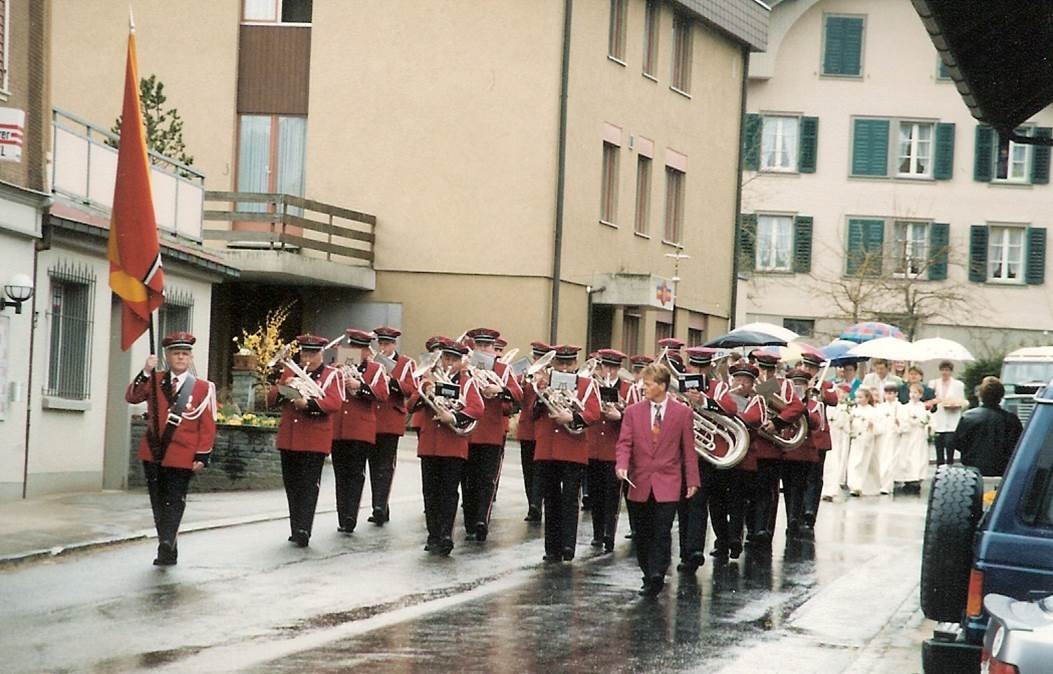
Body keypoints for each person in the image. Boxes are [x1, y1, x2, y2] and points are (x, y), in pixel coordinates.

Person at [125, 332, 217, 566]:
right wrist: (146, 371)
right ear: (167, 356)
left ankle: (166, 543)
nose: (180, 358)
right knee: (158, 500)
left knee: (174, 500)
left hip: (182, 454)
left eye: (185, 354)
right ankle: (168, 545)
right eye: (176, 353)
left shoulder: (202, 388)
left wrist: (202, 455)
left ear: (191, 357)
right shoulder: (155, 381)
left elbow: (207, 425)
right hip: (154, 451)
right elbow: (132, 397)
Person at [615, 363, 699, 597]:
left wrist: (692, 481)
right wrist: (621, 465)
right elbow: (624, 443)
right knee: (642, 532)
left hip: (668, 481)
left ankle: (657, 574)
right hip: (639, 480)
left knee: (662, 531)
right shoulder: (633, 412)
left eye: (649, 384)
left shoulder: (683, 413)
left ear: (662, 386)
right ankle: (647, 570)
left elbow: (688, 451)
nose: (644, 387)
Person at [268, 334, 344, 547]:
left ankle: (304, 529)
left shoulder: (332, 375)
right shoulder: (291, 371)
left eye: (312, 353)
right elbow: (271, 398)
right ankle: (296, 527)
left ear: (321, 354)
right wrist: (286, 387)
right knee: (292, 485)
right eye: (304, 353)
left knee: (308, 485)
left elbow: (334, 402)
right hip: (290, 438)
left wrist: (308, 404)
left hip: (314, 439)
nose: (307, 358)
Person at [410, 338, 484, 555]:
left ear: (461, 362)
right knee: (430, 492)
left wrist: (452, 416)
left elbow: (477, 408)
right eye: (446, 358)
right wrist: (426, 389)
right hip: (429, 444)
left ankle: (445, 535)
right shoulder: (426, 379)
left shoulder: (466, 382)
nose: (449, 363)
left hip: (453, 443)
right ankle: (432, 535)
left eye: (454, 359)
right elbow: (411, 405)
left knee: (448, 492)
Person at [533, 344, 601, 563]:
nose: (564, 367)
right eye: (560, 363)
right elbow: (532, 412)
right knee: (550, 498)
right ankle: (551, 548)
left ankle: (568, 546)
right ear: (553, 364)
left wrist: (571, 417)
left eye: (568, 363)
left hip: (573, 448)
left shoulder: (587, 384)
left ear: (575, 364)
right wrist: (540, 392)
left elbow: (593, 412)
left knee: (570, 499)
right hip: (548, 448)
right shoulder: (543, 382)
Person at [677, 346, 736, 571]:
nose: (698, 371)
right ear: (689, 366)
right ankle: (686, 552)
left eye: (703, 367)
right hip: (684, 452)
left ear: (709, 367)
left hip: (709, 454)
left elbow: (731, 408)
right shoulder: (680, 387)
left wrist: (703, 401)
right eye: (695, 366)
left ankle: (694, 551)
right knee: (684, 503)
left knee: (699, 501)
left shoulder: (719, 387)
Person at [463, 328, 523, 542]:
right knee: (468, 479)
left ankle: (481, 520)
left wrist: (500, 390)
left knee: (487, 479)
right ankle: (470, 521)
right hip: (468, 430)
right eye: (479, 345)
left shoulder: (504, 369)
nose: (483, 349)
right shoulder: (465, 366)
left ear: (494, 349)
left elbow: (518, 394)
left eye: (487, 346)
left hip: (491, 430)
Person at [331, 329, 390, 534]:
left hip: (360, 428)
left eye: (359, 349)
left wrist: (360, 385)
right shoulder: (336, 367)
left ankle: (350, 516)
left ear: (366, 351)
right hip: (338, 428)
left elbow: (383, 394)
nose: (355, 351)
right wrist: (337, 373)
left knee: (355, 473)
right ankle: (342, 515)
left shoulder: (376, 369)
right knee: (341, 473)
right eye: (352, 347)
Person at [748, 352, 805, 550]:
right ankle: (750, 531)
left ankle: (764, 530)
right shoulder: (745, 382)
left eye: (768, 370)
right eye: (762, 369)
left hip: (770, 447)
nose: (765, 373)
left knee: (767, 491)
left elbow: (797, 407)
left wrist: (776, 422)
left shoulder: (784, 385)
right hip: (748, 447)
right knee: (748, 493)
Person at [586, 348, 631, 553]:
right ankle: (597, 533)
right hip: (594, 446)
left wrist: (620, 416)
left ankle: (609, 534)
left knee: (612, 495)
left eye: (614, 367)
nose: (610, 371)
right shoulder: (592, 385)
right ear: (601, 367)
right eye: (607, 367)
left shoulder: (628, 389)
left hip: (614, 449)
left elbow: (635, 417)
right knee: (595, 493)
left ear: (619, 369)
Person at [372, 326, 416, 526]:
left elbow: (412, 389)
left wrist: (392, 381)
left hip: (391, 418)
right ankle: (378, 506)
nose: (383, 347)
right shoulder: (372, 361)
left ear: (394, 344)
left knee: (385, 465)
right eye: (381, 343)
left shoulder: (406, 363)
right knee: (373, 465)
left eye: (387, 344)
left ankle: (381, 505)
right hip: (372, 417)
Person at [951, 377, 1023, 477]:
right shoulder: (1012, 420)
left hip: (973, 471)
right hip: (1003, 471)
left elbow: (957, 443)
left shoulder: (968, 417)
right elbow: (1018, 446)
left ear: (980, 395)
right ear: (1001, 395)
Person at [798, 353, 838, 528]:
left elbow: (833, 399)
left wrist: (819, 390)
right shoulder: (796, 382)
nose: (807, 370)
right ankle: (798, 511)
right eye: (805, 367)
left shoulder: (826, 384)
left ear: (817, 370)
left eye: (811, 368)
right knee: (800, 476)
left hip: (819, 436)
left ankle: (810, 511)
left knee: (815, 476)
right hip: (801, 434)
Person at [516, 341, 552, 523]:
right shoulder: (526, 376)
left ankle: (537, 504)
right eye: (536, 357)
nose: (537, 361)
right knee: (528, 469)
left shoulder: (551, 377)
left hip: (544, 429)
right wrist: (524, 381)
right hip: (527, 428)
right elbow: (518, 397)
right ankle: (532, 503)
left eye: (541, 358)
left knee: (540, 470)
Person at [930, 361, 968, 465]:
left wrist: (955, 405)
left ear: (951, 371)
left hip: (952, 419)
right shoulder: (934, 384)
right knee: (939, 447)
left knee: (950, 444)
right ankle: (939, 469)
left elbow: (963, 401)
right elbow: (930, 400)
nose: (944, 372)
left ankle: (950, 467)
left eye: (947, 370)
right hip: (938, 419)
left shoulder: (958, 385)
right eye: (942, 370)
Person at [895, 383, 931, 493]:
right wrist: (907, 423)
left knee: (918, 456)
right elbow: (901, 420)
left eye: (916, 393)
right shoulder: (905, 407)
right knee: (907, 455)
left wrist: (924, 424)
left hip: (918, 435)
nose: (913, 395)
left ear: (920, 395)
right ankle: (907, 479)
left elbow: (927, 420)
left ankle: (916, 479)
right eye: (911, 392)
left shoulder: (923, 407)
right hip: (908, 435)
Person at [845, 387, 881, 497]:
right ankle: (853, 485)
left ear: (867, 398)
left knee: (864, 463)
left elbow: (878, 426)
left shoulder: (873, 411)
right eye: (857, 397)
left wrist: (872, 427)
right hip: (856, 439)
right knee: (854, 462)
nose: (858, 399)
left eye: (861, 397)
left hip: (867, 439)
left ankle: (861, 485)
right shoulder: (854, 410)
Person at [876, 383, 902, 495]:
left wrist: (899, 424)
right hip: (882, 437)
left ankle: (887, 485)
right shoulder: (880, 407)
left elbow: (904, 424)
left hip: (894, 437)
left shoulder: (900, 407)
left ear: (896, 394)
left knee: (891, 461)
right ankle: (879, 483)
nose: (888, 396)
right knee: (881, 460)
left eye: (891, 393)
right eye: (886, 393)